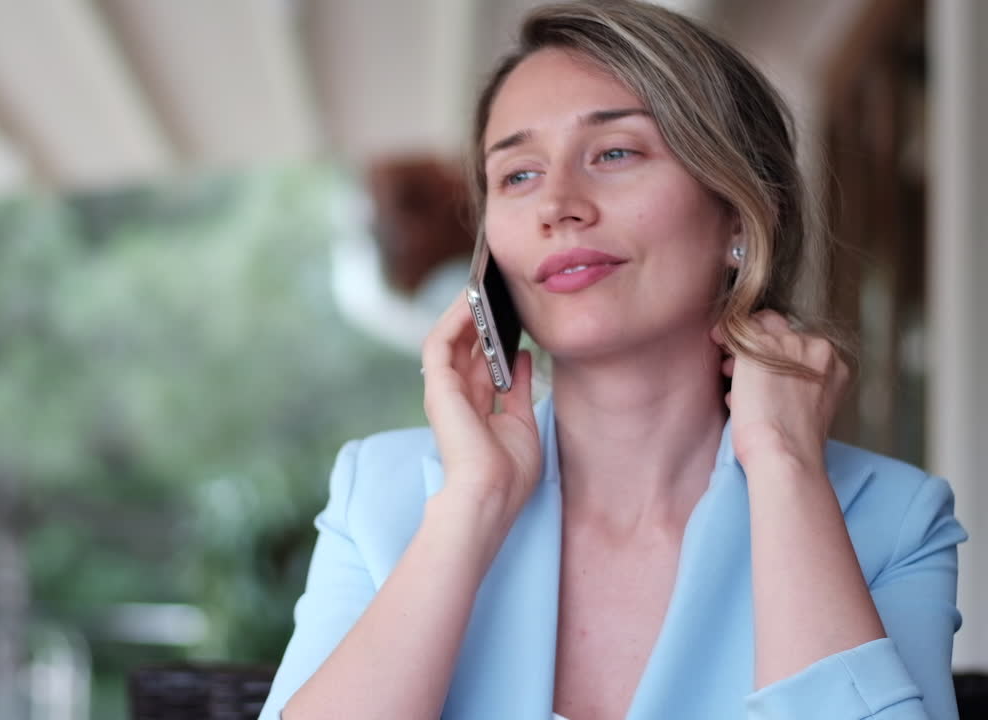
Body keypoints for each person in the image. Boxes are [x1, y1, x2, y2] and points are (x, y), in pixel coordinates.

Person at [259, 1, 966, 718]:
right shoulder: (381, 498)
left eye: (615, 153)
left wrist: (785, 468)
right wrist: (473, 504)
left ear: (740, 213)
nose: (557, 204)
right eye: (518, 175)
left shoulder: (893, 521)